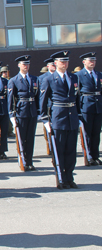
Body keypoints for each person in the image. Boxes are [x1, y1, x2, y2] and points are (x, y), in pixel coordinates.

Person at [40, 50, 80, 189]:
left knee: (71, 150)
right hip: (58, 118)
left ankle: (70, 176)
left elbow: (77, 98)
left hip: (72, 117)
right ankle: (61, 178)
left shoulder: (73, 77)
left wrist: (79, 116)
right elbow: (43, 101)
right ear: (55, 63)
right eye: (62, 61)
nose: (65, 64)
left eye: (66, 61)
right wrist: (45, 119)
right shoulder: (49, 79)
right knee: (59, 150)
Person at [8, 55, 39, 171]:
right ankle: (22, 160)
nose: (26, 66)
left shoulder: (35, 79)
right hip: (21, 111)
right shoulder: (14, 80)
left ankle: (30, 161)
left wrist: (39, 111)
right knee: (22, 138)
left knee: (30, 138)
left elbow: (38, 97)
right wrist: (12, 114)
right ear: (19, 65)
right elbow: (11, 99)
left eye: (27, 64)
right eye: (23, 64)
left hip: (32, 112)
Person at [76, 52, 102, 166]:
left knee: (96, 132)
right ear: (84, 62)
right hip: (86, 106)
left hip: (98, 106)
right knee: (87, 133)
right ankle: (88, 156)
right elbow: (77, 93)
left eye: (94, 60)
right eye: (90, 60)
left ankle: (95, 156)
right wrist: (78, 110)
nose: (92, 62)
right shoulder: (79, 75)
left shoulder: (99, 74)